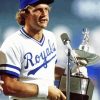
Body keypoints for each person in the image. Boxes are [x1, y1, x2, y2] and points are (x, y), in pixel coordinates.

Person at [0, 0, 66, 100]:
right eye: (38, 10)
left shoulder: (50, 37)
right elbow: (8, 86)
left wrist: (71, 74)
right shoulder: (12, 43)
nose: (44, 14)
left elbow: (46, 70)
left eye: (46, 9)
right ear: (24, 13)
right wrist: (45, 91)